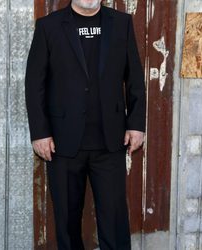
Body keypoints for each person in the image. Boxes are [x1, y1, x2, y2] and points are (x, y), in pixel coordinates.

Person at [25, 0, 146, 248]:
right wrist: (40, 133)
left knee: (114, 221)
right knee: (67, 223)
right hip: (62, 144)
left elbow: (134, 77)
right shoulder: (49, 26)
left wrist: (136, 124)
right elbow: (34, 84)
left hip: (110, 142)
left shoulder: (121, 23)